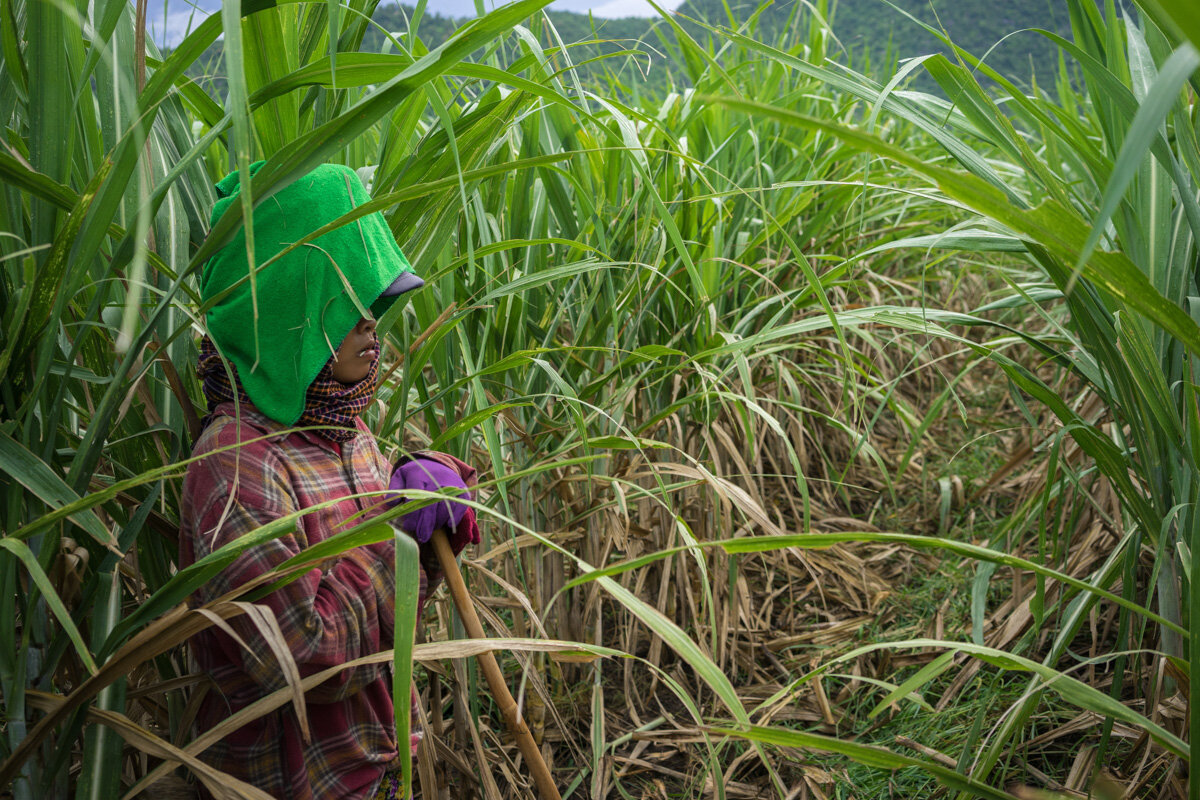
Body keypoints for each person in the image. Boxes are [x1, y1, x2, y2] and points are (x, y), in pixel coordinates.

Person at [178, 162, 478, 800]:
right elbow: (304, 660)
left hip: (372, 769)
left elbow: (380, 616)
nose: (371, 322)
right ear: (289, 309)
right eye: (345, 304)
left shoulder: (347, 428)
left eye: (372, 302)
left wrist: (422, 513)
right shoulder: (237, 465)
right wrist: (393, 535)